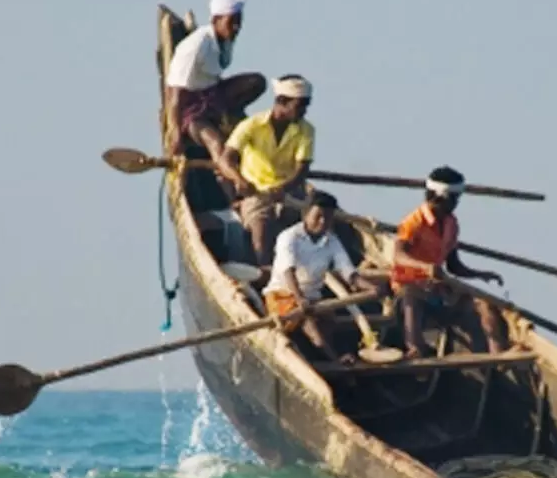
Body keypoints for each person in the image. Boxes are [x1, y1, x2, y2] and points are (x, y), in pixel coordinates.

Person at [390, 166, 510, 359]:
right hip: (411, 284)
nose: (456, 203)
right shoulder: (414, 221)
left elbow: (454, 265)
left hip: (439, 289)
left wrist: (481, 275)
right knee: (409, 294)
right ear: (440, 197)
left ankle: (498, 357)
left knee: (484, 305)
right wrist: (425, 267)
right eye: (454, 199)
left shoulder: (451, 224)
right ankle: (415, 348)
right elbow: (398, 255)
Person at [165, 0, 267, 209]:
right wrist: (174, 130)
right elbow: (174, 92)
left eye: (239, 21)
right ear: (216, 21)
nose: (237, 27)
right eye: (232, 21)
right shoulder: (196, 46)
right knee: (216, 143)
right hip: (190, 108)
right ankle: (233, 193)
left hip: (212, 94)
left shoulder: (225, 40)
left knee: (257, 82)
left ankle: (229, 116)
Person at [262, 191, 371, 365]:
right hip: (283, 294)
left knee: (328, 322)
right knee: (310, 325)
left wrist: (371, 288)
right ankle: (335, 361)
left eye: (327, 218)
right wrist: (299, 298)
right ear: (305, 214)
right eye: (318, 216)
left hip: (313, 297)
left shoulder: (332, 240)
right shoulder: (289, 237)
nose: (322, 222)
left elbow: (348, 271)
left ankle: (319, 355)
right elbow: (287, 271)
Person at [218, 75, 315, 267]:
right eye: (299, 105)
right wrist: (239, 180)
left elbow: (301, 170)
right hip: (257, 193)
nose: (304, 111)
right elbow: (225, 160)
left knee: (299, 236)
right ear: (281, 101)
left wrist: (284, 188)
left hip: (290, 192)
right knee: (261, 236)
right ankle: (265, 278)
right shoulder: (251, 125)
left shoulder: (306, 130)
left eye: (306, 105)